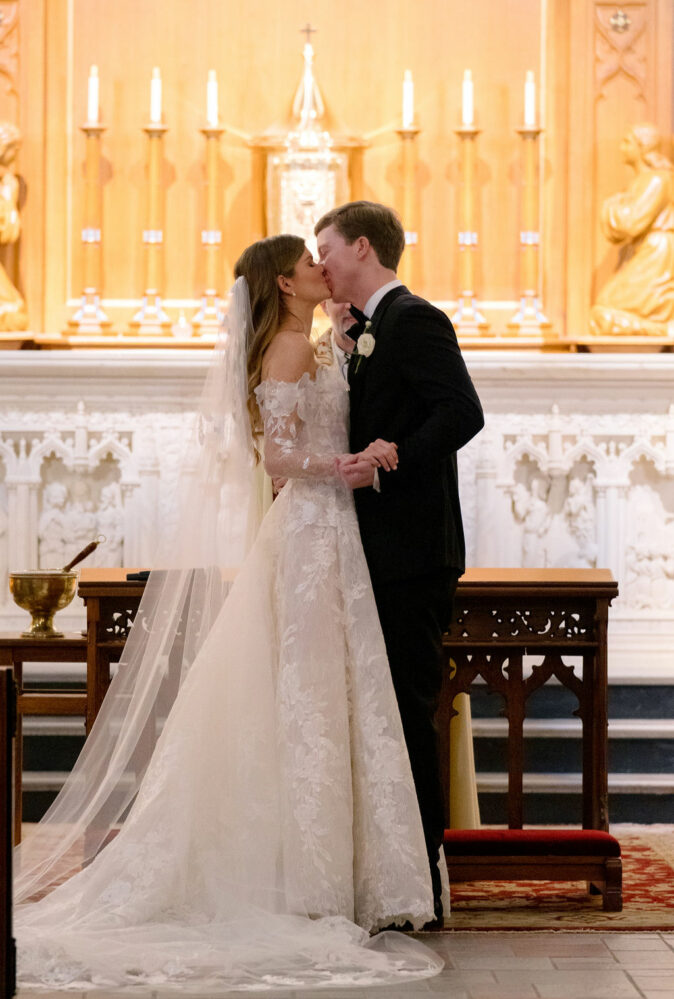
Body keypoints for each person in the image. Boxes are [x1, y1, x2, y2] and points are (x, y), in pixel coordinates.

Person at [14, 235, 444, 991]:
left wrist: (343, 351)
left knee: (333, 699)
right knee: (308, 700)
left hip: (333, 536)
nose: (322, 268)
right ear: (283, 281)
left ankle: (338, 876)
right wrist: (340, 464)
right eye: (309, 263)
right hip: (311, 533)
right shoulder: (282, 348)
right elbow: (277, 457)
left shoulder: (309, 340)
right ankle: (309, 882)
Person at [315, 201, 485, 921]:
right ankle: (396, 874)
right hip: (380, 553)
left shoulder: (414, 319)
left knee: (411, 713)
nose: (319, 262)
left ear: (361, 247)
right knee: (387, 712)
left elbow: (462, 411)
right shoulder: (367, 329)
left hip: (412, 554)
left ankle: (426, 881)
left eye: (326, 248)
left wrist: (392, 455)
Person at [590, 122, 674, 337]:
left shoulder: (657, 179)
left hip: (656, 256)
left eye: (627, 142)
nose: (621, 147)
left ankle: (664, 329)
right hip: (646, 251)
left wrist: (610, 206)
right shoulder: (643, 180)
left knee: (606, 314)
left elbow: (631, 224)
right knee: (603, 314)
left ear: (642, 147)